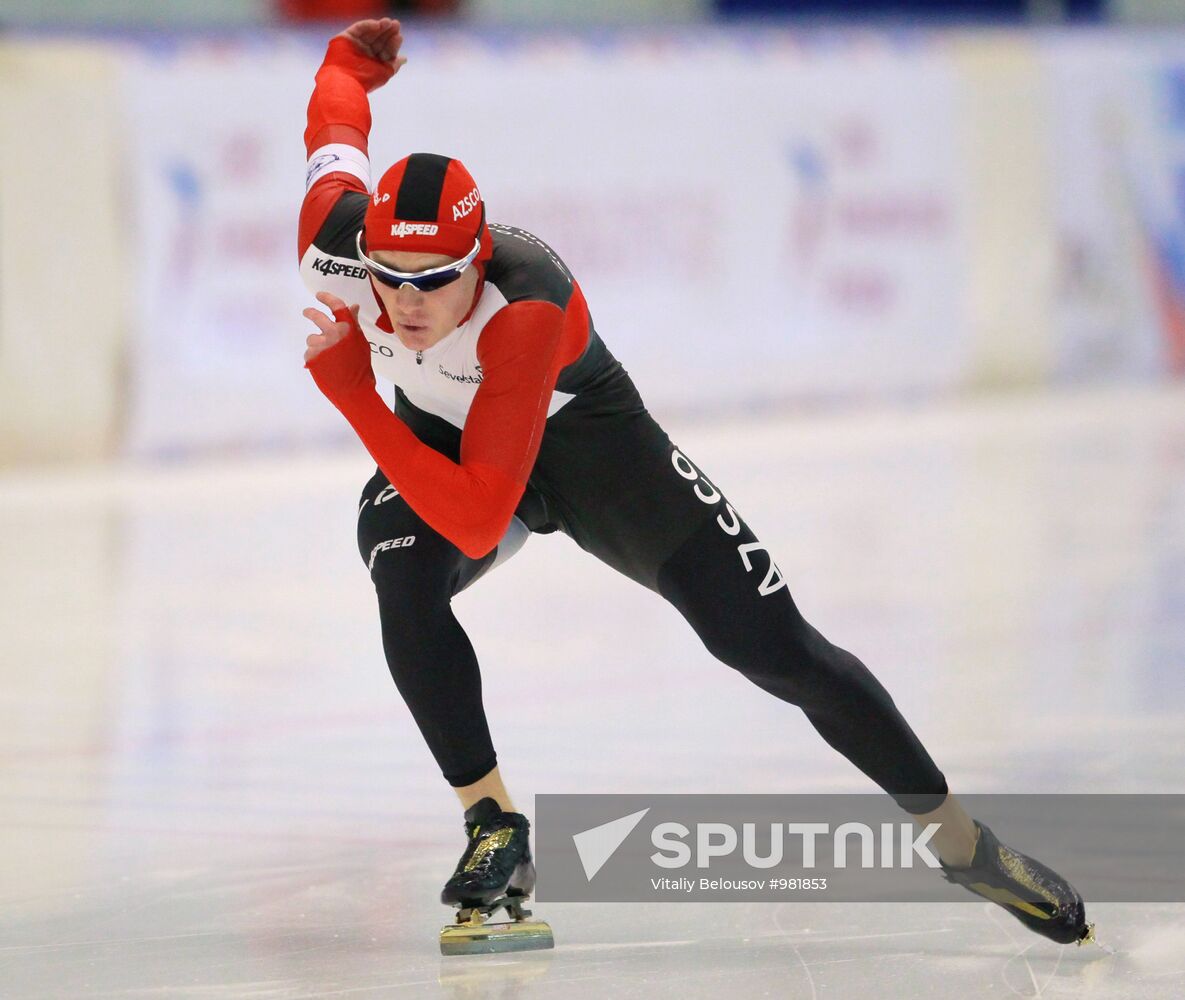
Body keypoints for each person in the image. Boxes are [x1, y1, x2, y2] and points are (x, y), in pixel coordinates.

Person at [298, 17, 1091, 949]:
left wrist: (356, 396)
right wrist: (350, 60)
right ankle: (492, 825)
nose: (406, 302)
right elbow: (332, 127)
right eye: (390, 276)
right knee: (401, 574)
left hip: (587, 441)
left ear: (476, 261)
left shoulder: (526, 305)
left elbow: (479, 519)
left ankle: (963, 844)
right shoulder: (333, 235)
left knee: (772, 647)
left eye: (435, 279)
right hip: (445, 426)